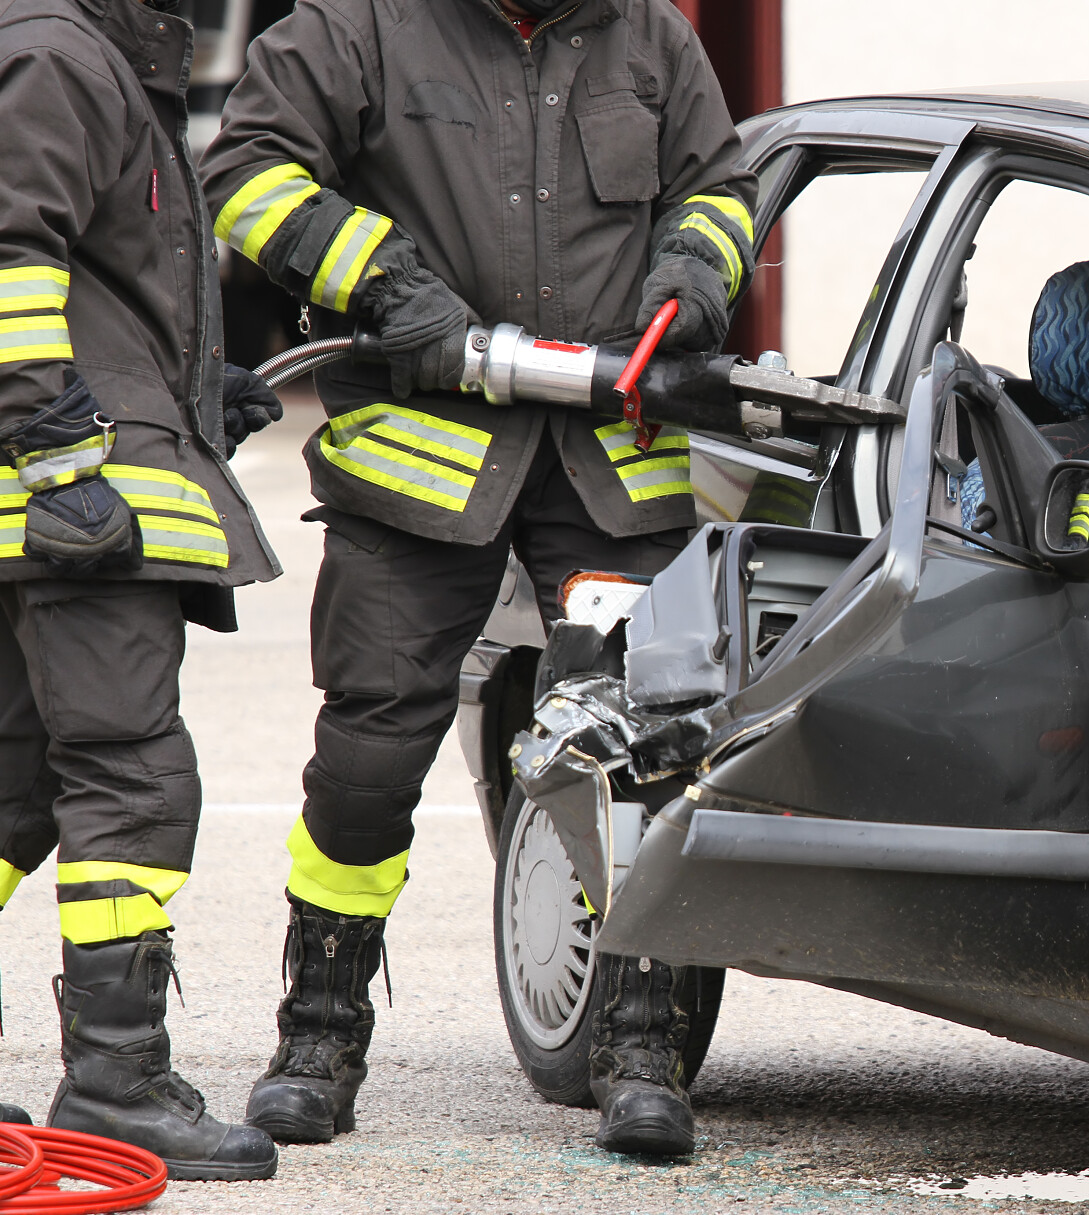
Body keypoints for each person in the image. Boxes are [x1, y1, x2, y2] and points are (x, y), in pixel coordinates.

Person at [201, 0, 755, 1158]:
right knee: (368, 748)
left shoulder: (647, 37)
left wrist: (690, 278)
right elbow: (248, 178)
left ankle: (641, 1047)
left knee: (644, 750)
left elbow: (717, 190)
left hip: (612, 452)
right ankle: (319, 1034)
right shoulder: (354, 27)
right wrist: (390, 285)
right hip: (423, 455)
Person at [0, 0, 283, 1181]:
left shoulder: (91, 55)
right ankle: (115, 1077)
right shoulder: (59, 52)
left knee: (13, 780)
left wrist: (190, 387)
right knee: (130, 770)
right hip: (72, 500)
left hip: (73, 479)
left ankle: (115, 1070)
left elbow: (97, 278)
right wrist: (60, 450)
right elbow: (11, 254)